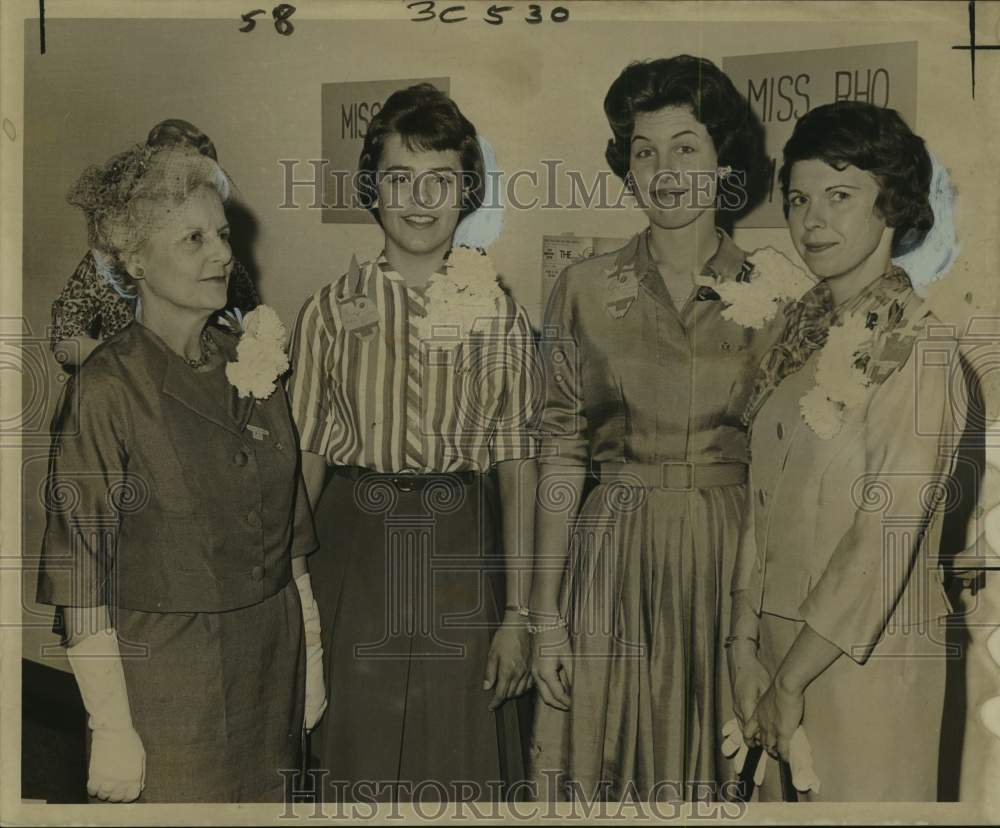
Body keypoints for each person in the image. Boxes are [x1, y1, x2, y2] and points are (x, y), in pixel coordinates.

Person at [528, 55, 789, 802]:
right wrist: (546, 614)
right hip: (613, 556)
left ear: (722, 160)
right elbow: (559, 456)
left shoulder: (776, 296)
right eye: (645, 150)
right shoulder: (581, 288)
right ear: (626, 165)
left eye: (686, 146)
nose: (665, 168)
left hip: (728, 560)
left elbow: (786, 471)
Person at [36, 143, 326, 802]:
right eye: (193, 238)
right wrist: (110, 723)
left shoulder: (251, 363)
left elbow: (290, 528)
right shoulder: (108, 389)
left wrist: (310, 653)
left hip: (271, 662)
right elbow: (80, 572)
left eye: (221, 234)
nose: (221, 254)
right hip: (168, 677)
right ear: (134, 259)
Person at [288, 83, 540, 800]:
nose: (420, 199)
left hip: (462, 547)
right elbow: (305, 458)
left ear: (467, 192)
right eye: (400, 178)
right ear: (373, 187)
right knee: (354, 745)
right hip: (354, 550)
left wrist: (519, 615)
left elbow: (519, 468)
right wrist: (289, 595)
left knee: (456, 752)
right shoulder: (329, 312)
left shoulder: (499, 316)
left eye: (441, 181)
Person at [729, 101, 964, 802]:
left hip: (864, 665)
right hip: (772, 660)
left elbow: (883, 538)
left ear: (889, 203)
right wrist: (741, 647)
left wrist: (789, 679)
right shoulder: (793, 339)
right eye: (799, 199)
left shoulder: (923, 350)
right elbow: (758, 509)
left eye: (840, 195)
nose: (812, 220)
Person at [48, 118, 259, 368]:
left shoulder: (225, 266)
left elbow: (251, 337)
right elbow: (65, 339)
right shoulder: (107, 260)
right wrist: (135, 364)